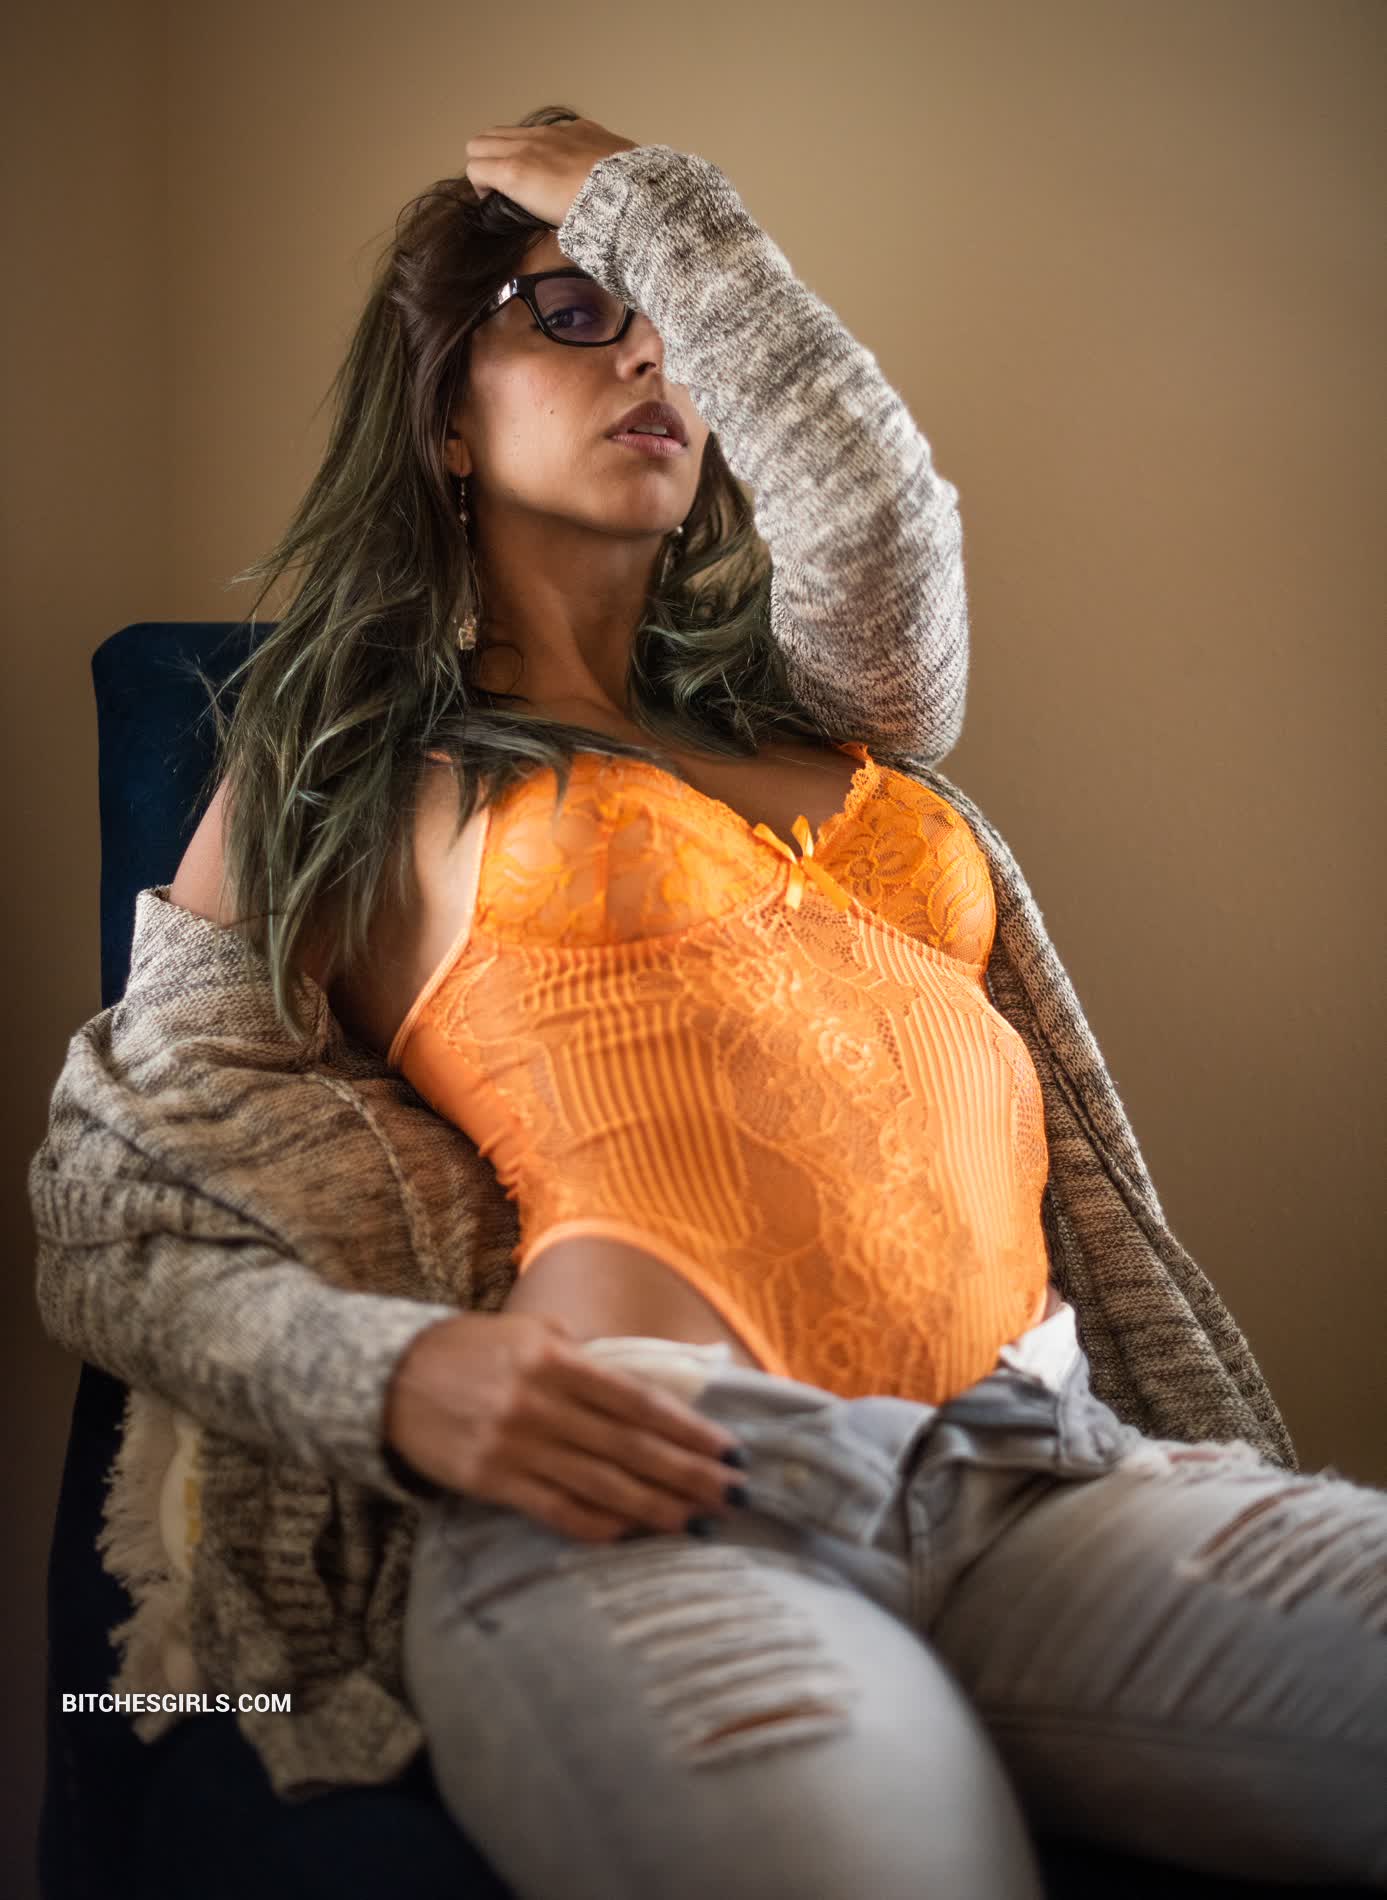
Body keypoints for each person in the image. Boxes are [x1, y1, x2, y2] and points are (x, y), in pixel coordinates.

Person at [33, 107, 1386, 1897]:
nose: (649, 353)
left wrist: (650, 209)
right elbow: (111, 1204)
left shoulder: (839, 713)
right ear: (445, 418)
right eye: (573, 311)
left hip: (1042, 1479)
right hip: (651, 1513)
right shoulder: (340, 765)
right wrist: (394, 1376)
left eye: (671, 320)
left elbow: (878, 518)